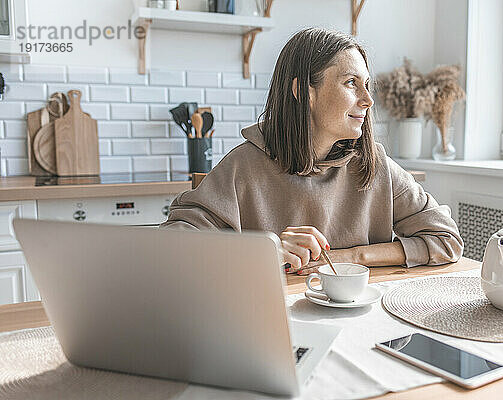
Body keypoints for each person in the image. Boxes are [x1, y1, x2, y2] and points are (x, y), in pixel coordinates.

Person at [161, 28, 463, 275]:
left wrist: (353, 257)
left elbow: (446, 240)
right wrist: (266, 252)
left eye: (367, 85)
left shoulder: (375, 165)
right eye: (351, 83)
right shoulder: (244, 165)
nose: (368, 99)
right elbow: (170, 246)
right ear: (304, 91)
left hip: (362, 324)